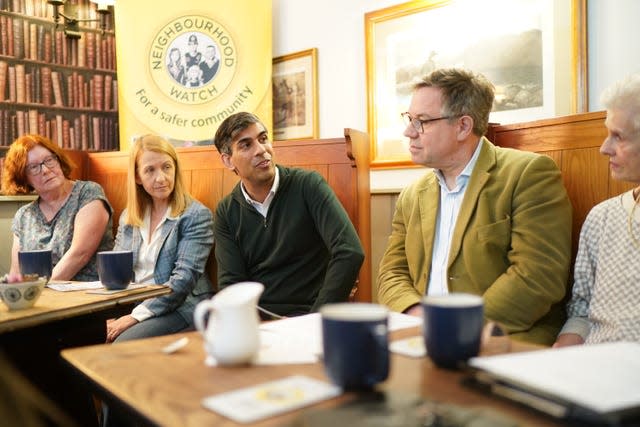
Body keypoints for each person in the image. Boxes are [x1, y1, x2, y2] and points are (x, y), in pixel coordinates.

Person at [377, 68, 572, 345]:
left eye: (422, 121)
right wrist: (415, 313)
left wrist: (453, 327)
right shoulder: (412, 194)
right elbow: (391, 272)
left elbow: (538, 276)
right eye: (409, 119)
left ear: (463, 126)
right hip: (419, 337)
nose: (409, 132)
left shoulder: (528, 174)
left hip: (500, 338)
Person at [213, 112, 364, 317]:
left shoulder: (308, 185)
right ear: (228, 161)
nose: (261, 150)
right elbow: (232, 284)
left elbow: (350, 251)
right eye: (246, 145)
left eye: (263, 139)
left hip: (309, 315)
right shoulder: (226, 211)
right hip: (258, 321)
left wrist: (316, 318)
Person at [554, 74, 640, 347]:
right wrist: (559, 355)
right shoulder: (602, 217)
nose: (604, 148)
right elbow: (582, 310)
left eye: (619, 137)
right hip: (594, 367)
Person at [106, 134, 214, 342]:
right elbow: (116, 273)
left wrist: (133, 318)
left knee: (122, 343)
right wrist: (108, 313)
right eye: (150, 170)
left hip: (184, 306)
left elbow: (182, 281)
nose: (161, 178)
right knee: (84, 334)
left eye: (166, 167)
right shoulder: (130, 217)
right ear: (137, 177)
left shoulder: (195, 215)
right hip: (136, 305)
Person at [2, 134, 113, 281]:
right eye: (34, 167)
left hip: (86, 295)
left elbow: (79, 255)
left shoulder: (88, 193)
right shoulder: (24, 215)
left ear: (58, 160)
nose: (46, 170)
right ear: (23, 177)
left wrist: (40, 292)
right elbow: (16, 274)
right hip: (39, 298)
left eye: (49, 160)